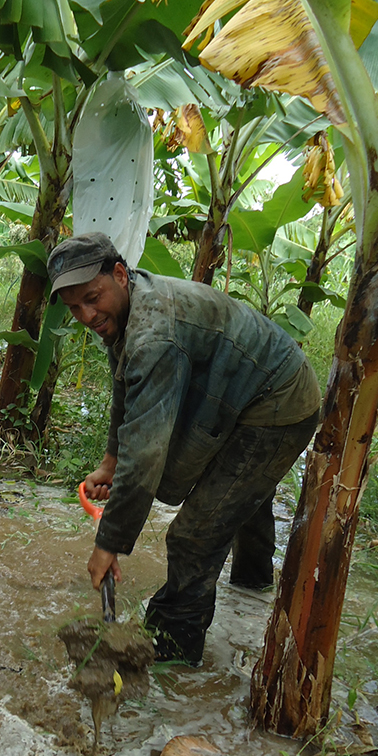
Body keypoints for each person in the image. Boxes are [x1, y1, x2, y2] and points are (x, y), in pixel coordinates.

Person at [47, 232, 320, 666]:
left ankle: (173, 656)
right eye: (74, 307)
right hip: (247, 384)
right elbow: (126, 386)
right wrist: (108, 462)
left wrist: (109, 543)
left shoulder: (155, 333)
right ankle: (251, 593)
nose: (86, 314)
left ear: (120, 274)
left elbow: (146, 455)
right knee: (240, 494)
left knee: (195, 534)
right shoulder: (127, 306)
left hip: (278, 399)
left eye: (92, 298)